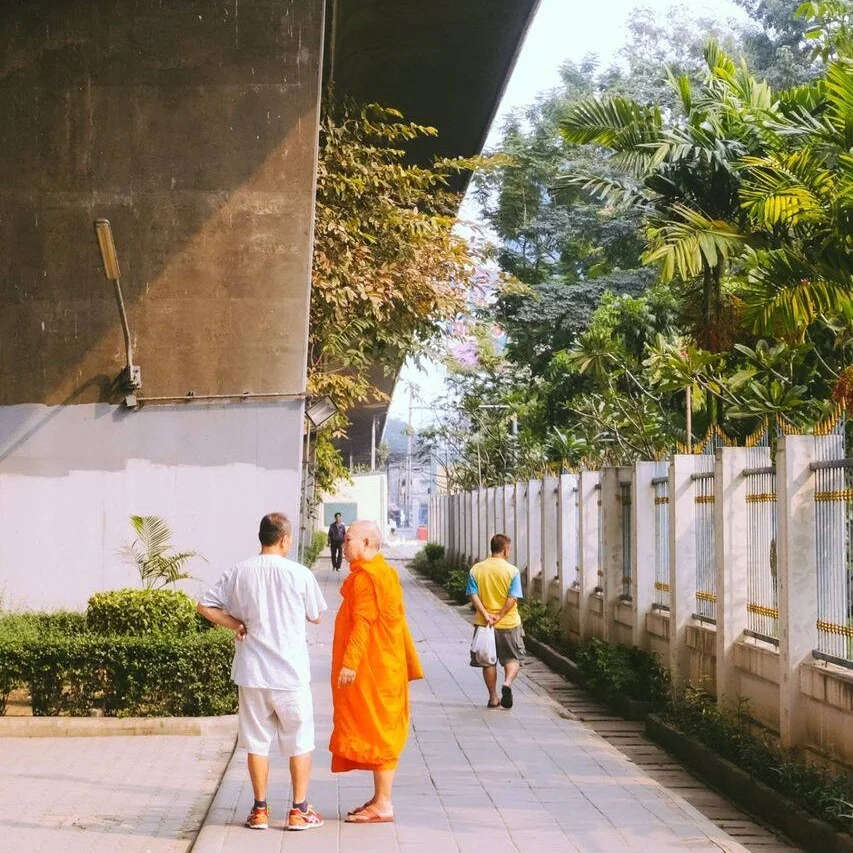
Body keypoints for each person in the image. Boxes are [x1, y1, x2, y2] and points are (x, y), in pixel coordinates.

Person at [197, 513, 327, 832]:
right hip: (290, 674)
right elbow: (317, 616)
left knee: (256, 741)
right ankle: (298, 810)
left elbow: (205, 606)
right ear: (284, 539)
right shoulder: (299, 574)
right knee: (300, 739)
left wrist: (237, 623)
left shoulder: (238, 572)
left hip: (252, 672)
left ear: (261, 537)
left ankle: (259, 810)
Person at [329, 519, 424, 824]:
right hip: (386, 668)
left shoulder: (368, 578)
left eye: (349, 540)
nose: (344, 546)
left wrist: (349, 663)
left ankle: (384, 803)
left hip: (374, 670)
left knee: (380, 733)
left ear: (367, 543)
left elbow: (364, 622)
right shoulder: (385, 573)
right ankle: (379, 798)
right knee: (379, 730)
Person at [466, 533, 525, 709]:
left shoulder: (476, 569)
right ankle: (507, 683)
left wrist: (485, 614)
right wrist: (500, 615)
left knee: (488, 661)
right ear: (505, 549)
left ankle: (493, 698)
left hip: (484, 625)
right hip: (509, 623)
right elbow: (512, 598)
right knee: (512, 659)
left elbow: (472, 595)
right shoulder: (512, 571)